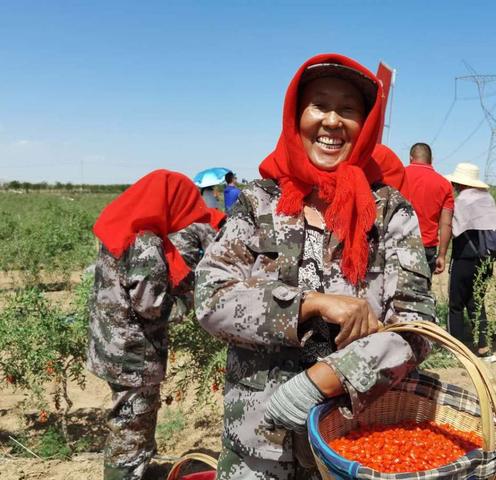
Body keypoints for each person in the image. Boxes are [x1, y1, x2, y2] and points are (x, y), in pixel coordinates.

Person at [195, 53, 436, 479]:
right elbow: (211, 300)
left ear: (366, 127)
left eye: (348, 110)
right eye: (319, 105)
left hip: (351, 443)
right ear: (296, 116)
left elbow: (416, 328)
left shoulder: (390, 213)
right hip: (257, 440)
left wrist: (327, 378)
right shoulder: (258, 204)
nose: (331, 121)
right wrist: (308, 304)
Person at [86, 169, 211, 480]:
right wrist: (194, 303)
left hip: (111, 344)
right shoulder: (146, 242)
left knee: (126, 420)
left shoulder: (123, 226)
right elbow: (151, 305)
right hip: (133, 355)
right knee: (131, 430)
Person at [445, 162, 496, 363]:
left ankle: (457, 350)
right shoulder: (488, 199)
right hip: (486, 257)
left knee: (456, 304)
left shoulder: (462, 201)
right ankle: (485, 349)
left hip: (464, 257)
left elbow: (453, 228)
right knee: (477, 301)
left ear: (460, 182)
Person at [403, 142, 454, 278]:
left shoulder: (399, 176)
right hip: (426, 248)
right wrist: (442, 255)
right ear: (431, 160)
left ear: (410, 158)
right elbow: (446, 224)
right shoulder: (444, 184)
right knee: (422, 293)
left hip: (399, 244)